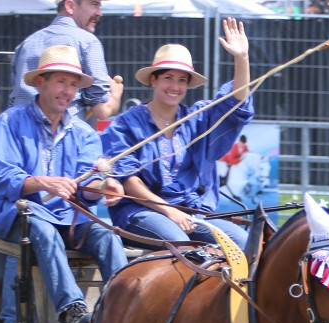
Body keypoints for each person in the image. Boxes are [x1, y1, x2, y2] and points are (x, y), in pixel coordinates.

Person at [0, 45, 127, 323]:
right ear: (40, 82)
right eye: (61, 82)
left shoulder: (83, 133)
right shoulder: (10, 122)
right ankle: (73, 310)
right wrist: (47, 183)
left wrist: (104, 187)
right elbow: (5, 178)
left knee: (108, 235)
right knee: (42, 230)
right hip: (17, 213)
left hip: (66, 216)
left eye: (73, 84)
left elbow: (86, 189)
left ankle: (124, 306)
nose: (67, 91)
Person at [101, 18, 254, 254]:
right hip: (141, 212)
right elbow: (127, 179)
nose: (175, 86)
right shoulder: (126, 124)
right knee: (184, 246)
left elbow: (235, 107)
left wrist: (241, 59)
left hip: (192, 213)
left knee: (246, 245)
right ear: (154, 80)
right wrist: (169, 210)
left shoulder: (197, 119)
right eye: (168, 78)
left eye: (182, 79)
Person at [10, 0, 123, 123]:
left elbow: (15, 97)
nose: (99, 13)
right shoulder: (88, 42)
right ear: (70, 6)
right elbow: (102, 110)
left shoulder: (26, 44)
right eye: (94, 4)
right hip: (66, 135)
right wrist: (116, 94)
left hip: (21, 131)